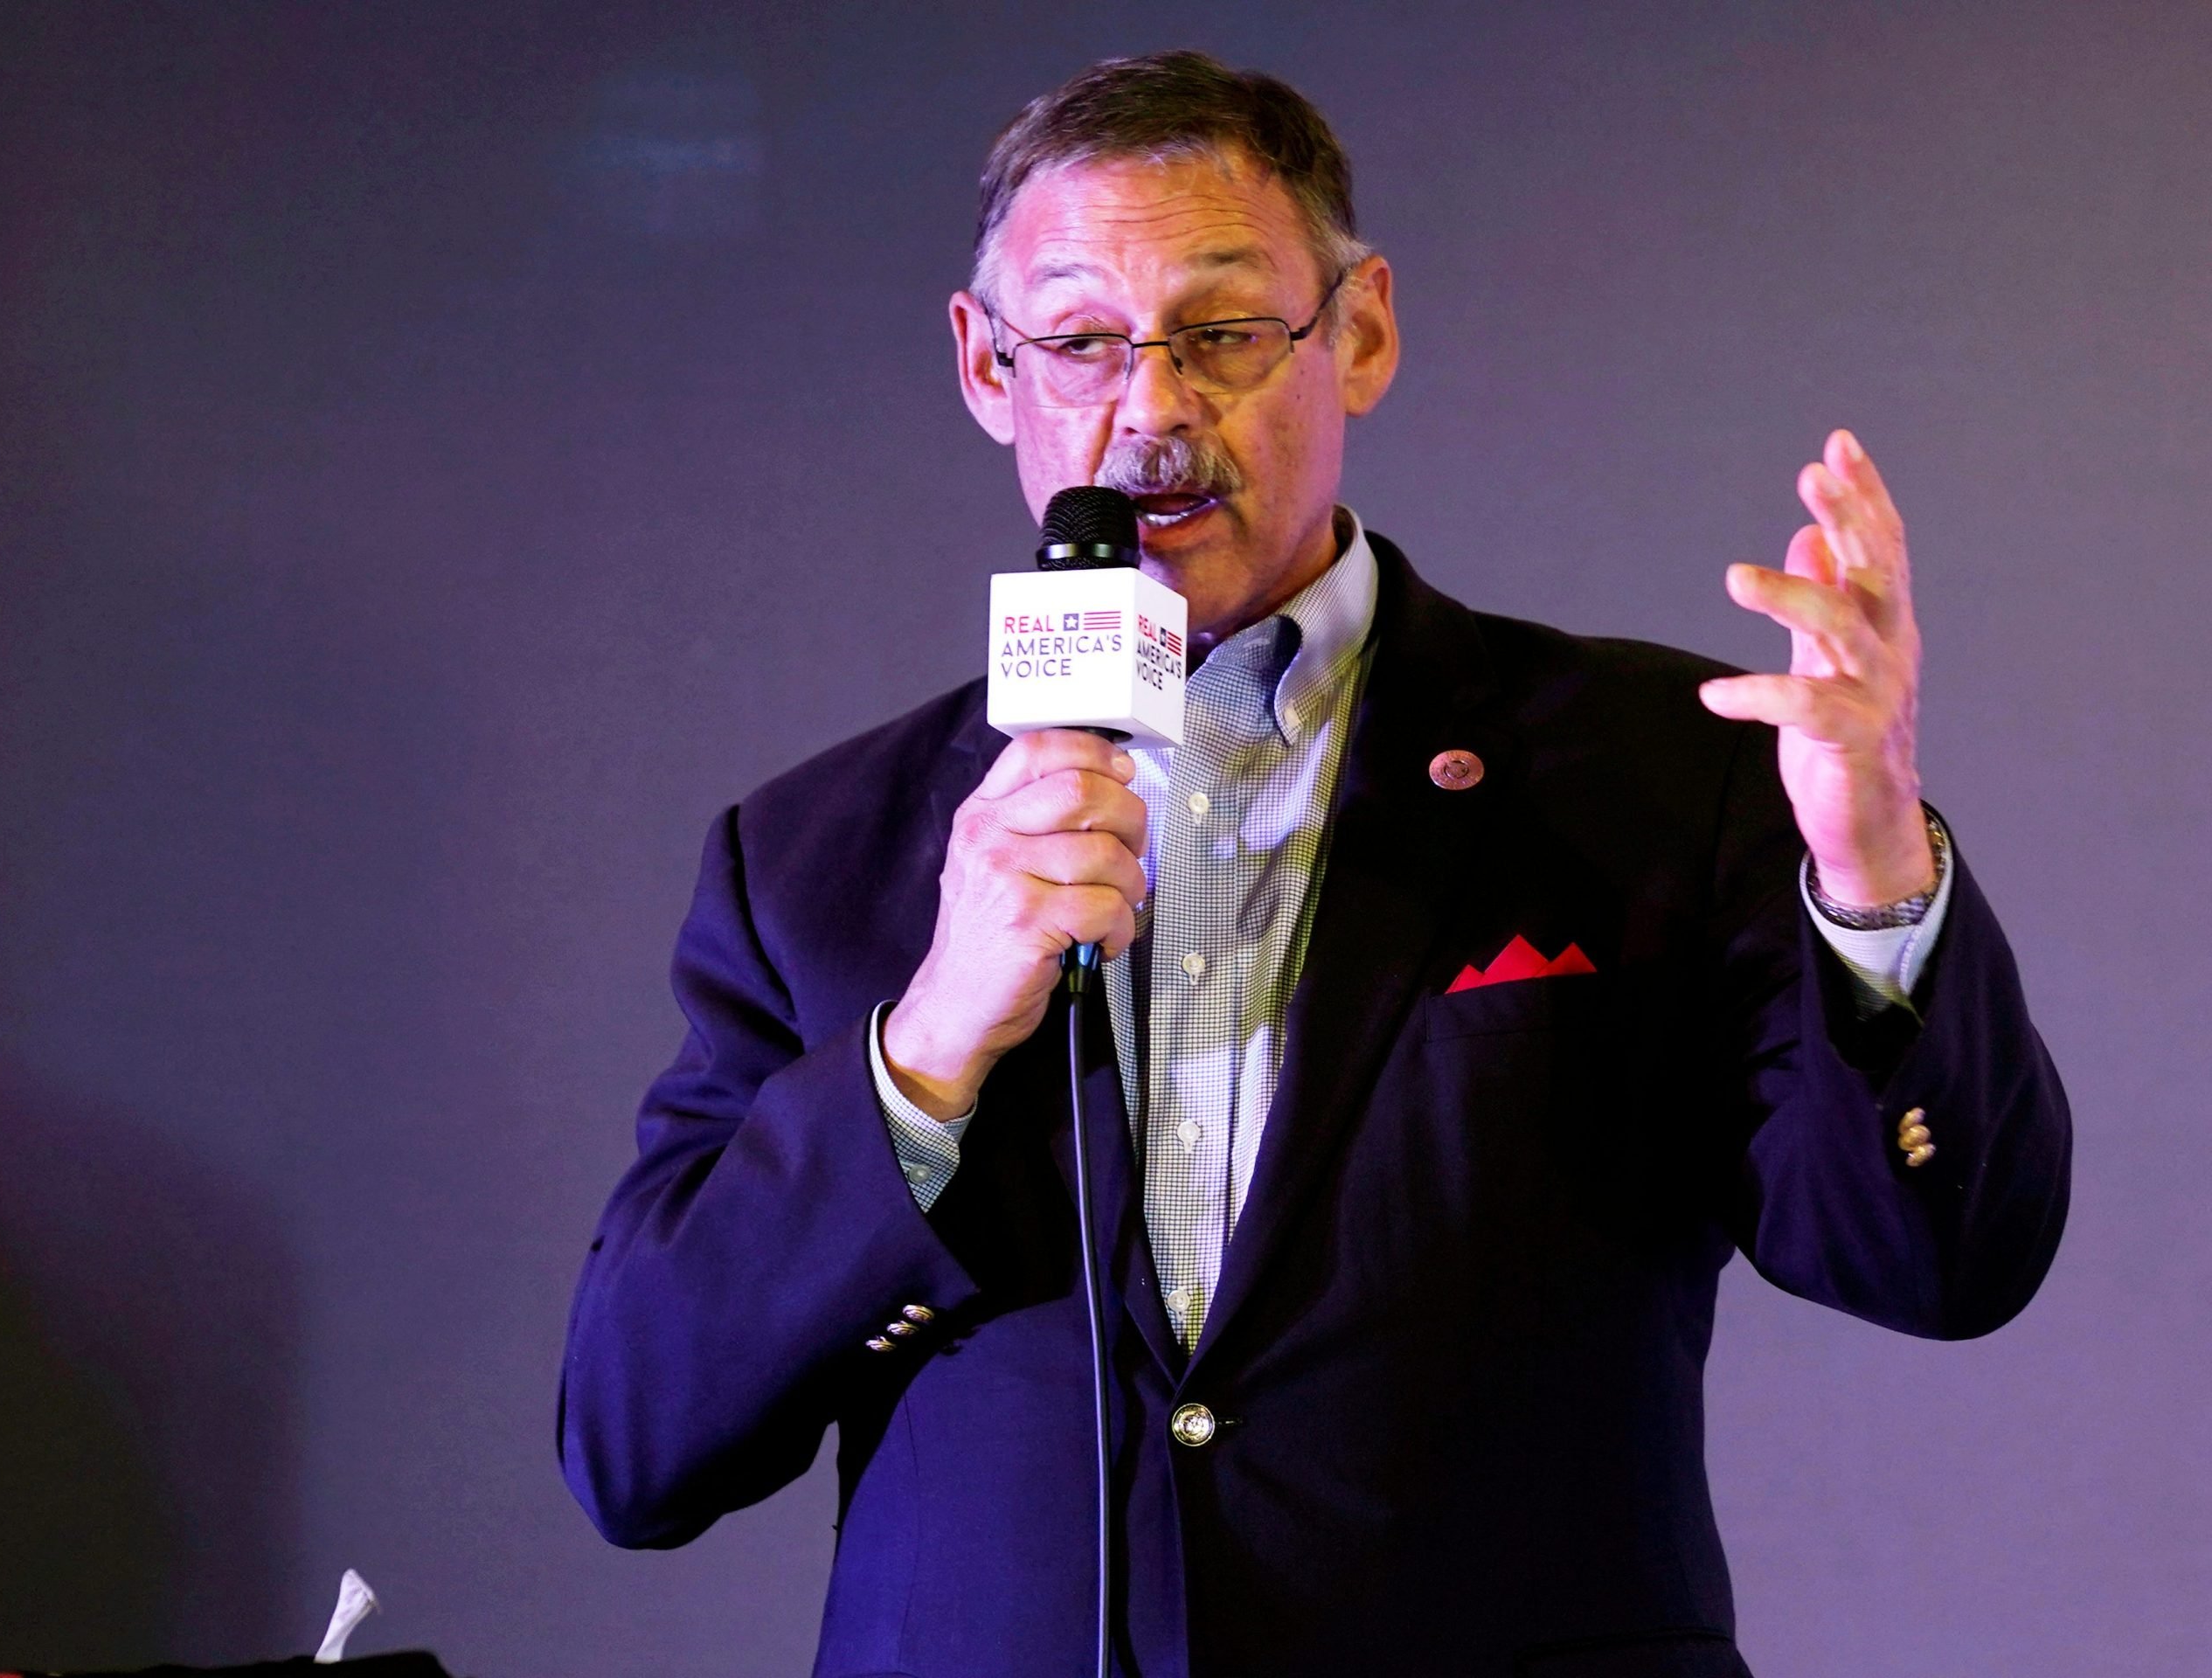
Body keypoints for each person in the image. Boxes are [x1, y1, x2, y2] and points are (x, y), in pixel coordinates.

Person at [558, 51, 2070, 1678]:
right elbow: (640, 1448)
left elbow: (1944, 1261)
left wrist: (1874, 872)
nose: (1149, 409)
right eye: (1076, 343)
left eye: (1219, 333)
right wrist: (923, 1054)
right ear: (987, 369)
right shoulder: (813, 857)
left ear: (1358, 332)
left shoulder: (1658, 765)